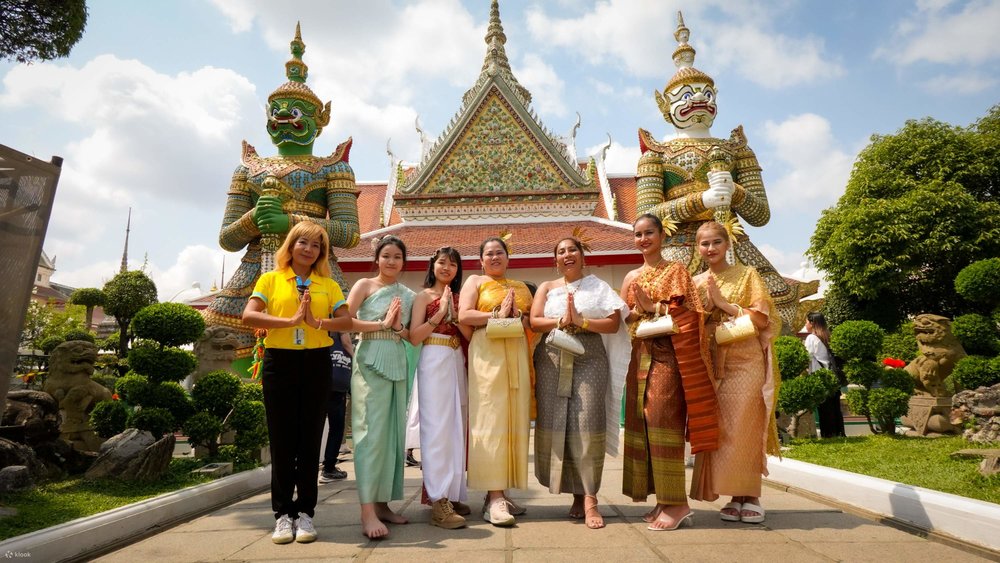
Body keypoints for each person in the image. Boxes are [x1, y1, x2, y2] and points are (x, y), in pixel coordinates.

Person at [242, 221, 352, 544]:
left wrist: (317, 322)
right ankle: (282, 515)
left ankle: (304, 513)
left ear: (322, 252)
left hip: (317, 363)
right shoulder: (271, 279)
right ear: (290, 246)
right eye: (302, 242)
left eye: (316, 245)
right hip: (281, 362)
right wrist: (289, 321)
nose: (308, 249)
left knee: (309, 439)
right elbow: (250, 315)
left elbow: (345, 319)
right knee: (282, 439)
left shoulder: (327, 285)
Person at [620, 213, 718, 531]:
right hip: (641, 357)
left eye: (649, 232)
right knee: (646, 425)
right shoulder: (630, 277)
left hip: (669, 358)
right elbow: (626, 319)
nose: (643, 239)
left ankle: (678, 504)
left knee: (664, 424)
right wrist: (638, 310)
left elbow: (692, 312)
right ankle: (663, 499)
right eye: (638, 234)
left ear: (663, 236)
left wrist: (655, 307)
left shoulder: (675, 271)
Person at [529, 237, 630, 529]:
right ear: (555, 260)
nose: (567, 254)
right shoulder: (548, 287)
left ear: (583, 256)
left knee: (586, 422)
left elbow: (613, 324)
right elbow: (535, 321)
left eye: (572, 250)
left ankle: (590, 498)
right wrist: (562, 320)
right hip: (552, 356)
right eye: (560, 251)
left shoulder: (599, 286)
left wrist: (581, 321)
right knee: (559, 422)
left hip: (589, 355)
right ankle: (574, 493)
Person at [689, 221, 781, 524]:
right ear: (697, 248)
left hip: (745, 360)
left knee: (747, 424)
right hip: (712, 361)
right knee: (723, 429)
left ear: (728, 244)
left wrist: (723, 304)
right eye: (704, 244)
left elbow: (762, 320)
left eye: (716, 242)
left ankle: (751, 495)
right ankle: (732, 494)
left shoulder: (747, 274)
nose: (710, 249)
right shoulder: (696, 280)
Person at [458, 237, 533, 527]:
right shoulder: (476, 282)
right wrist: (495, 315)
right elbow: (464, 315)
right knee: (490, 420)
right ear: (481, 260)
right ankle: (493, 496)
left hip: (516, 351)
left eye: (499, 252)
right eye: (488, 253)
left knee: (514, 420)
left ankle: (504, 489)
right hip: (488, 354)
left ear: (508, 257)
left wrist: (518, 315)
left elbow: (530, 322)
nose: (494, 257)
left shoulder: (521, 287)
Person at [347, 235, 416, 540]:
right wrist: (381, 325)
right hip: (369, 360)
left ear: (404, 262)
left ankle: (383, 503)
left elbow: (410, 334)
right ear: (377, 258)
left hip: (396, 361)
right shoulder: (363, 285)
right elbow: (344, 321)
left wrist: (397, 326)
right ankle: (366, 511)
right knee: (369, 434)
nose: (391, 262)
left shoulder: (408, 295)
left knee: (392, 435)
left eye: (397, 257)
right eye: (386, 256)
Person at [409, 247, 474, 529]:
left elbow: (469, 335)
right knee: (436, 430)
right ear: (432, 265)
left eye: (453, 264)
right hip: (433, 359)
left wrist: (457, 315)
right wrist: (439, 315)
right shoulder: (422, 297)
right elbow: (414, 337)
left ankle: (452, 493)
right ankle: (437, 500)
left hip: (456, 359)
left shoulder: (461, 298)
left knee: (456, 429)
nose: (447, 268)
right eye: (442, 262)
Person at [319, 332, 352, 484]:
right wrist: (356, 356)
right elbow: (346, 342)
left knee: (315, 428)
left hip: (322, 383)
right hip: (336, 387)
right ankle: (329, 468)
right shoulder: (340, 324)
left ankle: (312, 468)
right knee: (336, 428)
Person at [806, 311, 845, 438]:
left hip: (820, 376)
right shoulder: (827, 336)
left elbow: (806, 357)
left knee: (824, 409)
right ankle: (838, 433)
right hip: (832, 376)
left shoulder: (811, 338)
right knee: (835, 408)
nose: (805, 324)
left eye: (806, 321)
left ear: (812, 323)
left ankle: (828, 434)